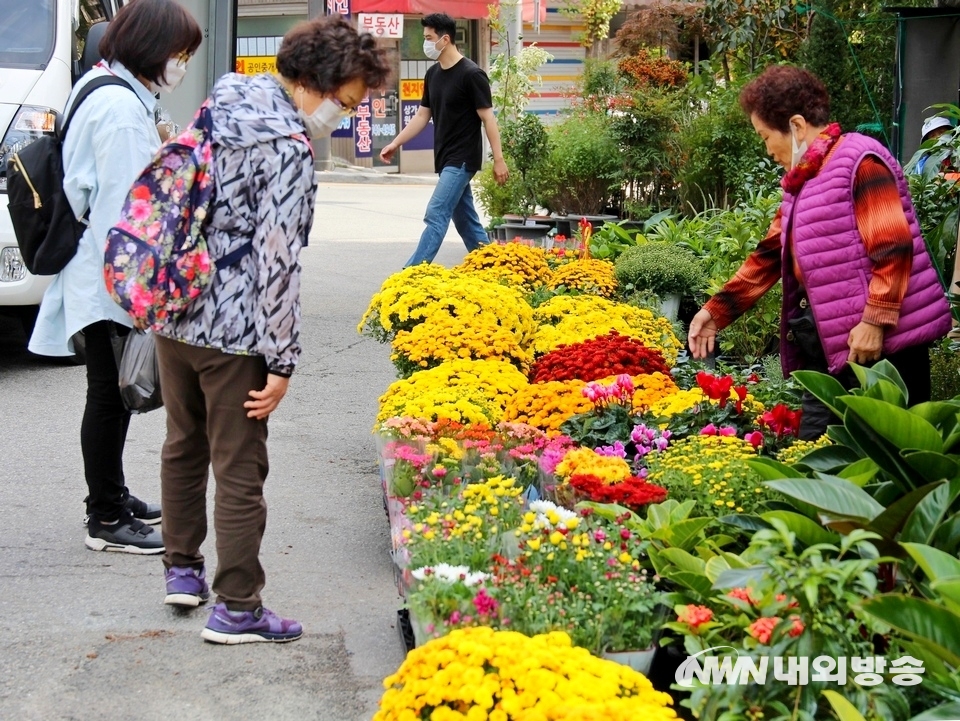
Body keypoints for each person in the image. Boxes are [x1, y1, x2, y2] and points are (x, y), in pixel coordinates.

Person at [153, 15, 390, 644]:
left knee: (183, 442)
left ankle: (181, 571)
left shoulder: (226, 95)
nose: (341, 117)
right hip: (234, 329)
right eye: (344, 103)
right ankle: (236, 608)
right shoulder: (288, 147)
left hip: (174, 306)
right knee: (238, 466)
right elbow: (278, 259)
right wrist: (282, 362)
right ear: (318, 81)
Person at [687, 65, 951, 440]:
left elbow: (893, 247)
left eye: (765, 137)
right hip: (839, 350)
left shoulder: (861, 159)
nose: (767, 150)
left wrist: (875, 321)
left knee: (888, 465)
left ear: (795, 126)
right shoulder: (803, 181)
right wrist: (716, 312)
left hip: (884, 354)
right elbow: (769, 255)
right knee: (824, 459)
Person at [28, 0, 202, 554]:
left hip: (93, 265)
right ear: (151, 49)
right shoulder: (123, 112)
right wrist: (144, 294)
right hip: (109, 271)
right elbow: (130, 216)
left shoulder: (101, 86)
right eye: (178, 54)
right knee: (110, 394)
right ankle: (104, 516)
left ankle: (113, 496)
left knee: (109, 393)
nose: (180, 64)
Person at [379, 12, 509, 266]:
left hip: (462, 159)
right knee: (466, 221)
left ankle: (412, 273)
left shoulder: (472, 74)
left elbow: (488, 119)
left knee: (436, 212)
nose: (425, 43)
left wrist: (499, 159)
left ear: (445, 39)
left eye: (429, 37)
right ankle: (493, 268)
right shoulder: (433, 74)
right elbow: (421, 115)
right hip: (445, 158)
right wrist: (396, 142)